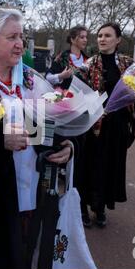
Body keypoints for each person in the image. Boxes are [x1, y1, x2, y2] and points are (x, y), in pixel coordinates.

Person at [0, 7, 73, 269]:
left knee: (23, 256)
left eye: (21, 36)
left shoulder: (32, 80)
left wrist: (66, 146)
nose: (20, 44)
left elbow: (48, 124)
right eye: (12, 37)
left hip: (30, 190)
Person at [80, 22, 135, 228]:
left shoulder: (128, 63)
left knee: (110, 165)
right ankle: (83, 207)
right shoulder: (89, 64)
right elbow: (80, 93)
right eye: (100, 35)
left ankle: (100, 207)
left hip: (118, 123)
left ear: (118, 40)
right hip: (94, 124)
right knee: (90, 164)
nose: (102, 39)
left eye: (107, 36)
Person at [45, 25, 90, 226]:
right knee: (64, 140)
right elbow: (47, 78)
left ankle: (76, 183)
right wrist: (61, 77)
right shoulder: (61, 59)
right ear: (72, 39)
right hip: (64, 105)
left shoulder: (89, 59)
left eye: (86, 37)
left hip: (84, 107)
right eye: (81, 37)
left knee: (80, 143)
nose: (84, 40)